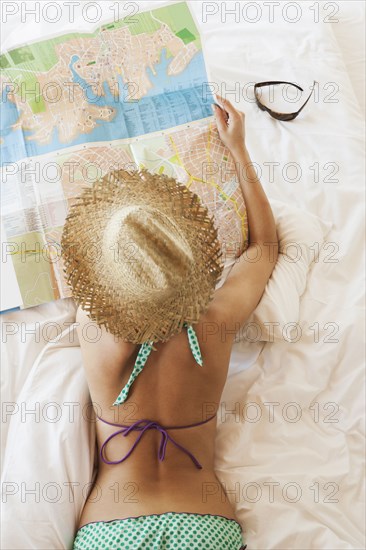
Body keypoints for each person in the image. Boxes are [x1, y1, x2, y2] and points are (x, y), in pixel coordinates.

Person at [70, 95, 279, 549]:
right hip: (205, 522)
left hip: (113, 525)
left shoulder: (96, 331)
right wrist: (239, 151)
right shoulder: (215, 324)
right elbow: (264, 248)